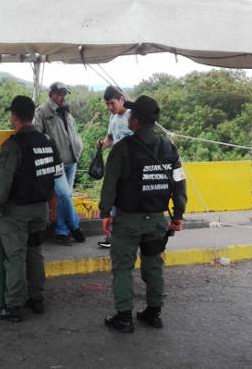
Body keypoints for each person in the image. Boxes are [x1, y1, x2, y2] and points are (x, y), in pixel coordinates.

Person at [100, 95, 186, 333]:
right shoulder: (170, 148)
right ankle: (153, 313)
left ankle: (124, 317)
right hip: (157, 219)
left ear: (135, 120)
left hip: (128, 220)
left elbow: (110, 185)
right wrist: (178, 215)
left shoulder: (123, 149)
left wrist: (106, 212)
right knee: (154, 266)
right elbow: (179, 182)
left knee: (123, 267)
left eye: (131, 115)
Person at [0, 96, 60, 322]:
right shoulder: (48, 143)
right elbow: (54, 177)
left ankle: (13, 305)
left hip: (17, 212)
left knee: (16, 258)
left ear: (15, 117)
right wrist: (52, 207)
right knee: (35, 253)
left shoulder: (12, 146)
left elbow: (3, 183)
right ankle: (37, 299)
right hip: (40, 208)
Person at [34, 82, 85, 246]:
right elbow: (37, 135)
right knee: (64, 195)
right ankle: (75, 226)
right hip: (56, 163)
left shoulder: (66, 110)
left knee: (66, 197)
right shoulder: (42, 111)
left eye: (64, 93)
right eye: (59, 93)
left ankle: (62, 232)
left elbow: (73, 131)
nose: (62, 97)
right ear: (51, 94)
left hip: (72, 160)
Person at [96, 86, 133, 249]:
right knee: (114, 201)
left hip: (132, 168)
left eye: (112, 103)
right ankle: (111, 237)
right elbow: (111, 138)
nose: (110, 107)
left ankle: (125, 237)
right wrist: (103, 144)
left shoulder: (132, 116)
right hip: (117, 167)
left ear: (121, 99)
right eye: (107, 104)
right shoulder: (113, 119)